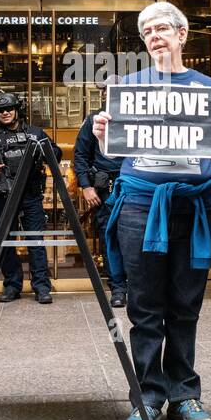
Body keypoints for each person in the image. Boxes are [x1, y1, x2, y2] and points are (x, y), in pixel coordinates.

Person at [92, 1, 211, 420]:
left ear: (182, 34)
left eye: (162, 29)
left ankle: (185, 393)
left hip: (190, 206)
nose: (155, 36)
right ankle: (147, 397)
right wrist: (103, 137)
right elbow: (114, 155)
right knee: (144, 305)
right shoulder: (128, 87)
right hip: (139, 205)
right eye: (148, 31)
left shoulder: (208, 87)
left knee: (186, 303)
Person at [0, 91, 61, 304]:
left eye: (9, 109)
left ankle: (41, 286)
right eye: (1, 110)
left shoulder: (36, 133)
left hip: (30, 195)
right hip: (3, 196)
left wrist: (42, 152)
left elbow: (55, 153)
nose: (6, 113)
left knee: (35, 240)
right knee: (4, 241)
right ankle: (12, 285)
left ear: (17, 110)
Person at [73, 108, 125, 307]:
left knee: (137, 236)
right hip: (105, 187)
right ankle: (118, 287)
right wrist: (86, 185)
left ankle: (136, 287)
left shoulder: (138, 114)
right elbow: (81, 155)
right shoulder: (94, 120)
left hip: (134, 183)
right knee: (109, 236)